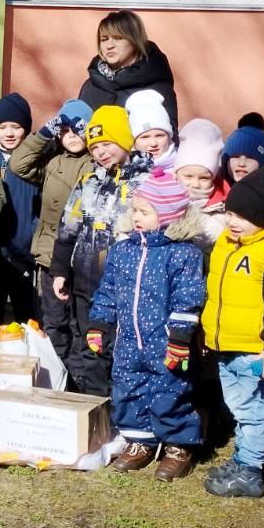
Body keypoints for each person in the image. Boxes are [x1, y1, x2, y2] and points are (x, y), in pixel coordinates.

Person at [89, 168, 206, 481]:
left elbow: (188, 298)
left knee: (171, 390)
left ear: (167, 216)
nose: (136, 217)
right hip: (128, 340)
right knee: (128, 387)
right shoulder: (122, 250)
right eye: (135, 210)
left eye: (145, 212)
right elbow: (108, 291)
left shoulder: (183, 254)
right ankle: (140, 440)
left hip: (165, 341)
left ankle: (178, 446)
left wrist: (180, 337)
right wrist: (99, 324)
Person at [200, 165, 264, 500]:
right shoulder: (226, 242)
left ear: (263, 216)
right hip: (226, 345)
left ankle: (250, 470)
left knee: (254, 410)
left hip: (254, 350)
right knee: (239, 407)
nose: (233, 221)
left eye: (243, 217)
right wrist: (208, 334)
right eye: (230, 213)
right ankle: (243, 458)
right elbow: (215, 294)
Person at [50, 105, 149, 396]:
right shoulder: (88, 182)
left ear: (124, 139)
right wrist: (60, 270)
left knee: (120, 351)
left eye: (107, 143)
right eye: (94, 147)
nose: (101, 152)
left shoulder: (146, 182)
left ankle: (124, 409)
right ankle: (96, 409)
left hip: (126, 288)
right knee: (91, 349)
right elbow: (68, 228)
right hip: (86, 285)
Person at [10, 98, 93, 363]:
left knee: (80, 324)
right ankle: (58, 371)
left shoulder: (94, 163)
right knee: (54, 321)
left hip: (81, 261)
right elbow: (19, 164)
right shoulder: (52, 163)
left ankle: (78, 375)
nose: (72, 136)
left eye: (78, 130)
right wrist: (46, 132)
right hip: (49, 256)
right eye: (65, 131)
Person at [0, 93, 41, 340]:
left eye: (16, 127)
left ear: (26, 129)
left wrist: (32, 233)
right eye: (2, 127)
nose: (9, 133)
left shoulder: (37, 160)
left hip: (24, 252)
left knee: (27, 316)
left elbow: (43, 204)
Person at [77, 10, 176, 130]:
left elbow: (167, 135)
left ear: (135, 40)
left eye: (118, 38)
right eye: (104, 39)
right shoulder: (91, 85)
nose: (109, 45)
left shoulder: (157, 87)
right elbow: (78, 130)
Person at [174, 118, 226, 252]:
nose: (195, 184)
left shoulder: (220, 207)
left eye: (204, 178)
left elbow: (210, 234)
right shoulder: (161, 194)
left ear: (213, 178)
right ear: (177, 174)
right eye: (188, 176)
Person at [126, 90, 176, 171]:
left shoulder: (185, 165)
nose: (153, 143)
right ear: (134, 142)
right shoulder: (122, 169)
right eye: (145, 137)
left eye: (159, 135)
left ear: (169, 137)